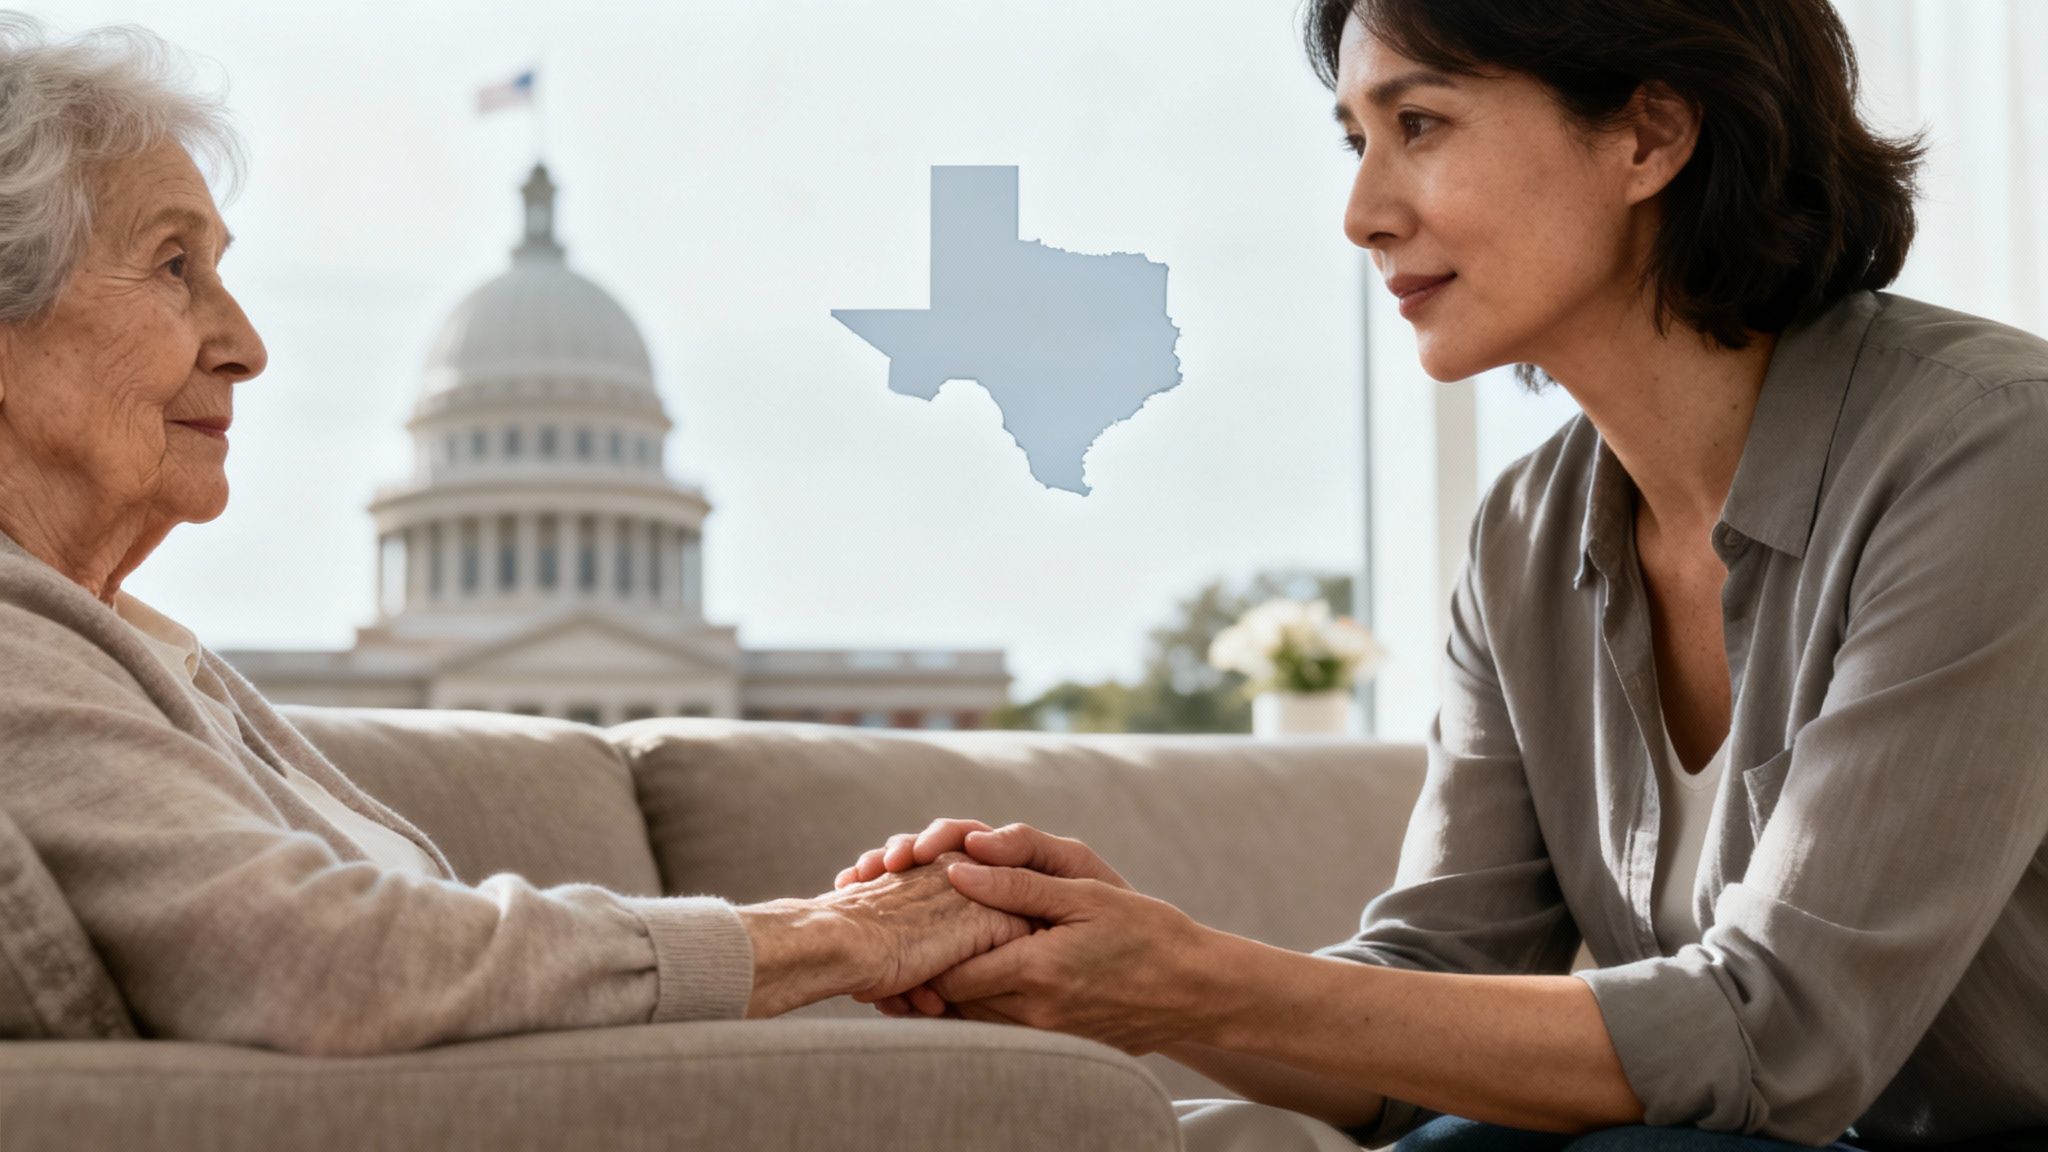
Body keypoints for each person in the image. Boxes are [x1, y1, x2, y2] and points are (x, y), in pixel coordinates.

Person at [839, 1, 2048, 1149]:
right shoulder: (1525, 534)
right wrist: (1127, 975)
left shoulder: (1994, 454)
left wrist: (1193, 978)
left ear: (1649, 134)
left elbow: (1779, 1037)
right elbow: (1427, 1000)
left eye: (1418, 126)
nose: (1361, 212)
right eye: (1355, 140)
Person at [0, 12, 1030, 1057]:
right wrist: (828, 939)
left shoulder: (128, 654)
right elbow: (319, 961)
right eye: (175, 266)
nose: (248, 346)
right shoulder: (17, 647)